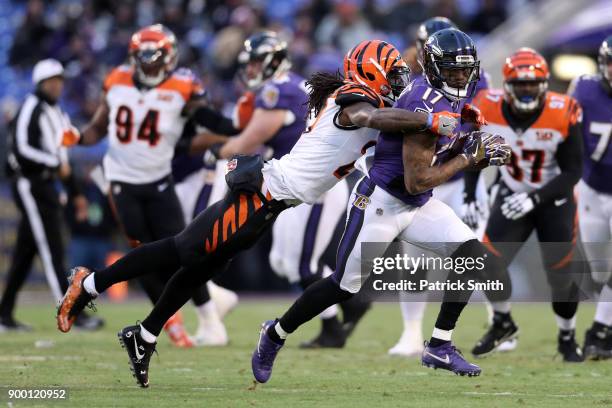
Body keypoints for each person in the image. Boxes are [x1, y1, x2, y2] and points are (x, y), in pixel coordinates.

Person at [56, 39, 467, 388]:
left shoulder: (363, 95)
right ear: (369, 74)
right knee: (182, 250)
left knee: (198, 266)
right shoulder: (354, 99)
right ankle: (90, 283)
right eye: (392, 73)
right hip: (262, 198)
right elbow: (370, 118)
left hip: (273, 203)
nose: (400, 81)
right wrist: (432, 119)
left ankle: (144, 335)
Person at [250, 29, 511, 383]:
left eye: (465, 70)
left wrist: (474, 149)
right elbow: (416, 180)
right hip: (383, 202)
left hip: (416, 204)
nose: (461, 77)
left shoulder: (444, 97)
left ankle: (439, 345)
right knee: (343, 285)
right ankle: (276, 333)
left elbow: (437, 161)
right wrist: (468, 156)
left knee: (472, 256)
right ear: (434, 69)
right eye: (452, 70)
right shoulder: (424, 103)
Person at [63, 24, 243, 347]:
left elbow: (206, 118)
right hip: (121, 181)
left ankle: (208, 315)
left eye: (155, 55)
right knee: (141, 251)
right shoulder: (117, 80)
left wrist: (236, 128)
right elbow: (98, 127)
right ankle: (174, 321)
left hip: (159, 180)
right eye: (144, 56)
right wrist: (77, 137)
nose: (150, 62)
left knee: (186, 249)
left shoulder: (182, 84)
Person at [205, 32, 364, 348]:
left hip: (315, 184)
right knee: (282, 261)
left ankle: (335, 323)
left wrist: (214, 152)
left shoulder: (280, 90)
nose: (250, 70)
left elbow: (247, 141)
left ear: (273, 61)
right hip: (299, 181)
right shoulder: (290, 86)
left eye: (254, 63)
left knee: (304, 264)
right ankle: (350, 306)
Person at [468, 48, 585, 362]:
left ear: (544, 84)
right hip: (511, 191)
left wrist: (534, 198)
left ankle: (567, 336)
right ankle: (503, 322)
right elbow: (473, 153)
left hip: (554, 198)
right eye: (520, 84)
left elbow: (574, 171)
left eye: (533, 83)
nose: (527, 89)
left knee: (559, 274)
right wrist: (470, 193)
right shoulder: (486, 107)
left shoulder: (563, 110)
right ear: (507, 85)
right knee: (488, 262)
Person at [389, 15, 492, 358]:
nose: (458, 74)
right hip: (419, 182)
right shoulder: (416, 91)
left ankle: (497, 322)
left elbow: (476, 132)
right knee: (413, 263)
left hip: (460, 179)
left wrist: (474, 176)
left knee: (478, 252)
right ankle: (412, 333)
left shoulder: (472, 80)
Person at [0, 59, 102, 331]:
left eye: (59, 79)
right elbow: (22, 149)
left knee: (25, 253)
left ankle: (4, 314)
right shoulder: (31, 108)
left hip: (47, 184)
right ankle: (69, 311)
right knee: (52, 247)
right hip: (30, 183)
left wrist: (76, 193)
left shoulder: (58, 113)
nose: (57, 85)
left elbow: (64, 156)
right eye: (51, 80)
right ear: (40, 83)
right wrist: (55, 165)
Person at [568, 35, 612, 360]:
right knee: (599, 271)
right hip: (592, 188)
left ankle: (599, 331)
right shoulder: (583, 88)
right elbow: (564, 131)